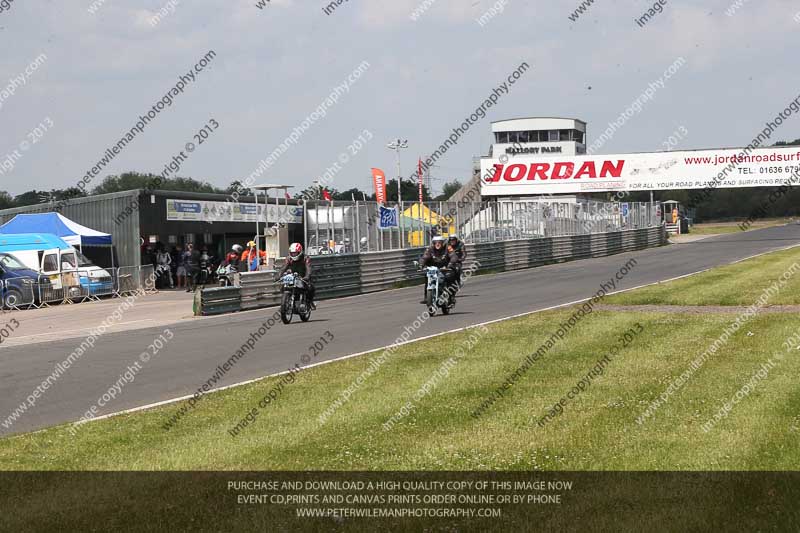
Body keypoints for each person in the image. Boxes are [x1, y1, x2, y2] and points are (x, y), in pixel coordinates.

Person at [419, 236, 458, 304]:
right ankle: (426, 297)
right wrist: (421, 264)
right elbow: (424, 257)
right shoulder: (430, 249)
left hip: (446, 267)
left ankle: (451, 296)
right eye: (435, 242)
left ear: (443, 243)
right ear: (433, 243)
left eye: (439, 242)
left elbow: (453, 256)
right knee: (427, 277)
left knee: (450, 276)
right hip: (433, 268)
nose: (437, 244)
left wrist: (450, 264)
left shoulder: (448, 248)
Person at [278, 242, 315, 310]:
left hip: (303, 276)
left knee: (310, 287)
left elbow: (308, 268)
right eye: (292, 253)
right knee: (283, 287)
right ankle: (286, 300)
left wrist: (307, 276)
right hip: (293, 276)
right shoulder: (289, 258)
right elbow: (284, 267)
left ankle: (309, 302)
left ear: (300, 252)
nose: (293, 254)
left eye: (295, 253)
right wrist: (279, 275)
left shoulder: (305, 258)